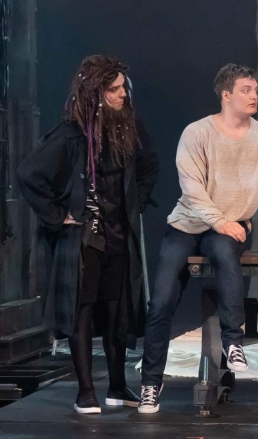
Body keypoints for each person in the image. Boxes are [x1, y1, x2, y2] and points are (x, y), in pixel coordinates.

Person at [138, 64, 258, 414]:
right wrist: (218, 220)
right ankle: (150, 383)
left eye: (255, 90)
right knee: (161, 301)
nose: (254, 96)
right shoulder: (197, 133)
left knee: (224, 252)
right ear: (226, 95)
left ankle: (233, 342)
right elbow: (191, 187)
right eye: (246, 90)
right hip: (187, 225)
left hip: (230, 228)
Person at [17, 55, 159, 414]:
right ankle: (85, 392)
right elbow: (29, 174)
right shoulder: (72, 133)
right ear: (96, 93)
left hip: (118, 234)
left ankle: (117, 385)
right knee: (82, 310)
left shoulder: (130, 127)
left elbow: (149, 165)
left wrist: (135, 204)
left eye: (124, 87)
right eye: (114, 89)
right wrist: (58, 215)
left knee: (116, 311)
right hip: (85, 238)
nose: (123, 94)